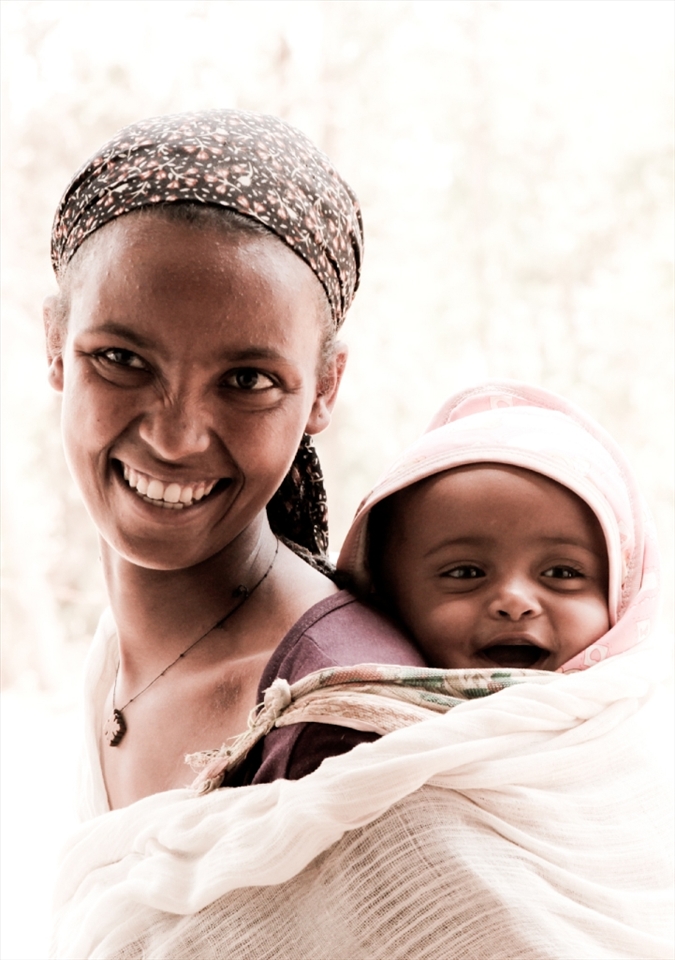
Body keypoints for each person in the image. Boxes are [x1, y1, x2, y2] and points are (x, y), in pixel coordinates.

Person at [52, 380, 673, 960]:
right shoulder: (383, 754)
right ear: (387, 595)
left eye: (562, 573)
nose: (515, 599)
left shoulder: (624, 747)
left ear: (623, 596)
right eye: (464, 573)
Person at [44, 108, 425, 815]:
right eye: (122, 359)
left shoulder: (336, 727)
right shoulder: (119, 653)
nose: (177, 437)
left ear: (323, 388)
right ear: (55, 344)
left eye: (247, 380)